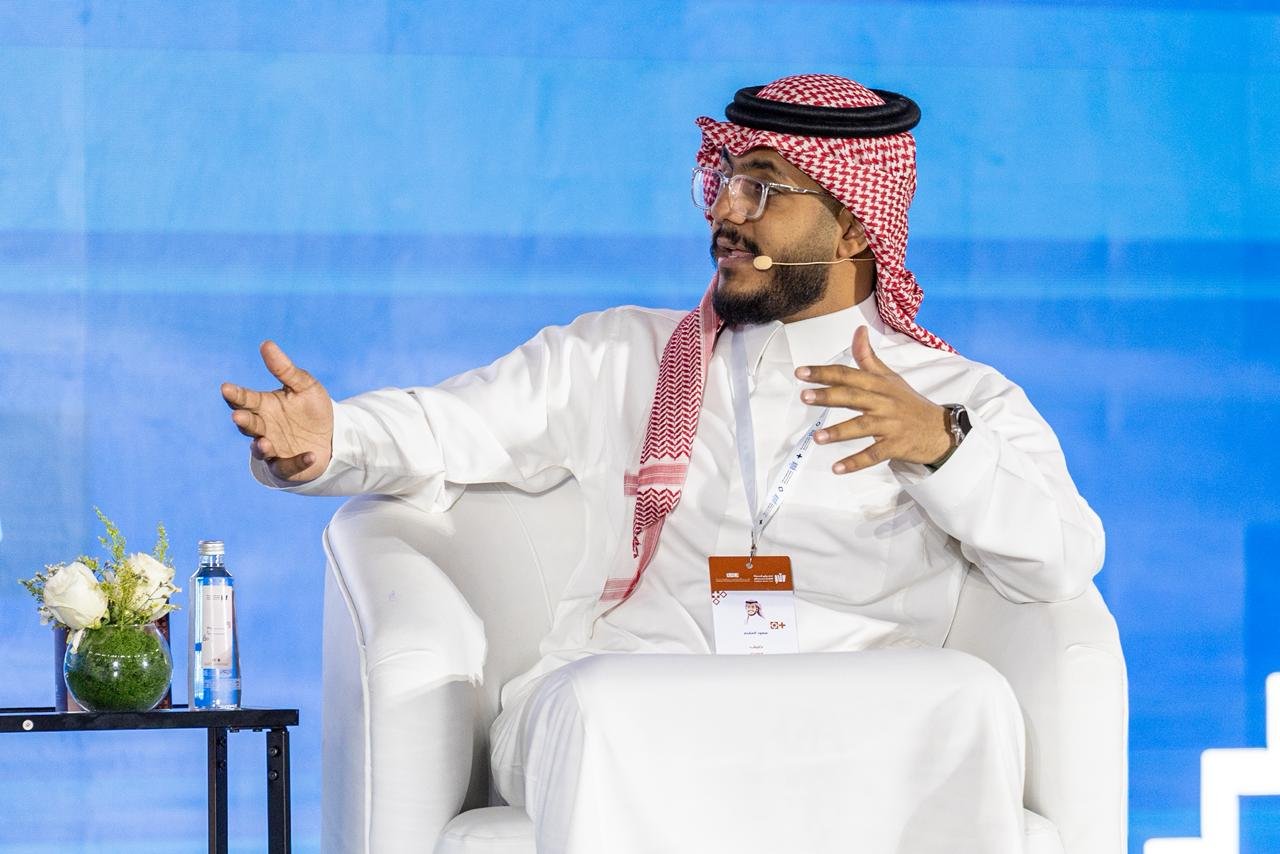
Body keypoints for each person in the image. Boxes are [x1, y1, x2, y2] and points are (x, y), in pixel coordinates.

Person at [223, 74, 1103, 853]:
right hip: (649, 688)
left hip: (851, 707)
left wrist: (944, 450)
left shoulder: (955, 395)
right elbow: (449, 426)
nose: (726, 213)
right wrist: (333, 440)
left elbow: (1064, 556)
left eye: (763, 190)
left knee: (969, 698)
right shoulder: (621, 355)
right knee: (598, 703)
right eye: (723, 182)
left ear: (850, 226)